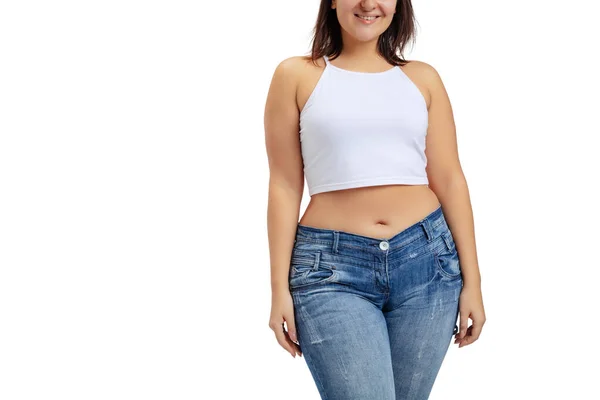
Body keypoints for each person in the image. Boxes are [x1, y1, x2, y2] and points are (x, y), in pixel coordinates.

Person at [264, 0, 486, 398]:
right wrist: (278, 287)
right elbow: (283, 184)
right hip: (330, 271)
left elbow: (450, 179)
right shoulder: (297, 75)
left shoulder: (423, 79)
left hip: (428, 266)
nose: (368, 4)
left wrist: (474, 282)